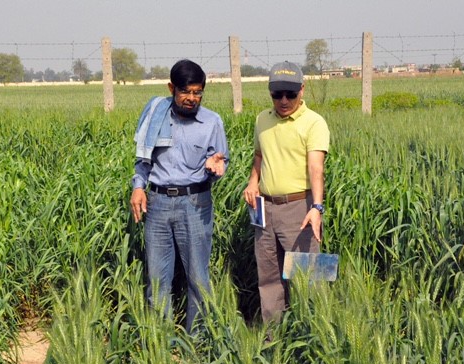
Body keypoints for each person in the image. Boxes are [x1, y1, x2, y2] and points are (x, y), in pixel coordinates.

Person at [130, 59, 229, 333]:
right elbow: (143, 161)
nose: (191, 98)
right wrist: (138, 187)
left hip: (195, 204)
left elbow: (221, 160)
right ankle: (159, 340)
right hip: (158, 203)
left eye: (198, 92)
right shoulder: (156, 116)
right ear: (172, 88)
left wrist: (216, 168)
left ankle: (197, 342)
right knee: (158, 278)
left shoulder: (212, 122)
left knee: (198, 276)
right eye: (186, 92)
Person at [243, 61, 329, 323]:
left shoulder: (314, 122)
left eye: (290, 94)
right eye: (277, 94)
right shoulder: (262, 119)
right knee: (268, 276)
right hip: (264, 208)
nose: (283, 100)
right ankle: (273, 338)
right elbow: (259, 156)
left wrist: (317, 207)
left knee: (308, 276)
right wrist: (252, 181)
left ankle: (314, 335)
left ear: (302, 90)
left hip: (298, 209)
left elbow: (316, 168)